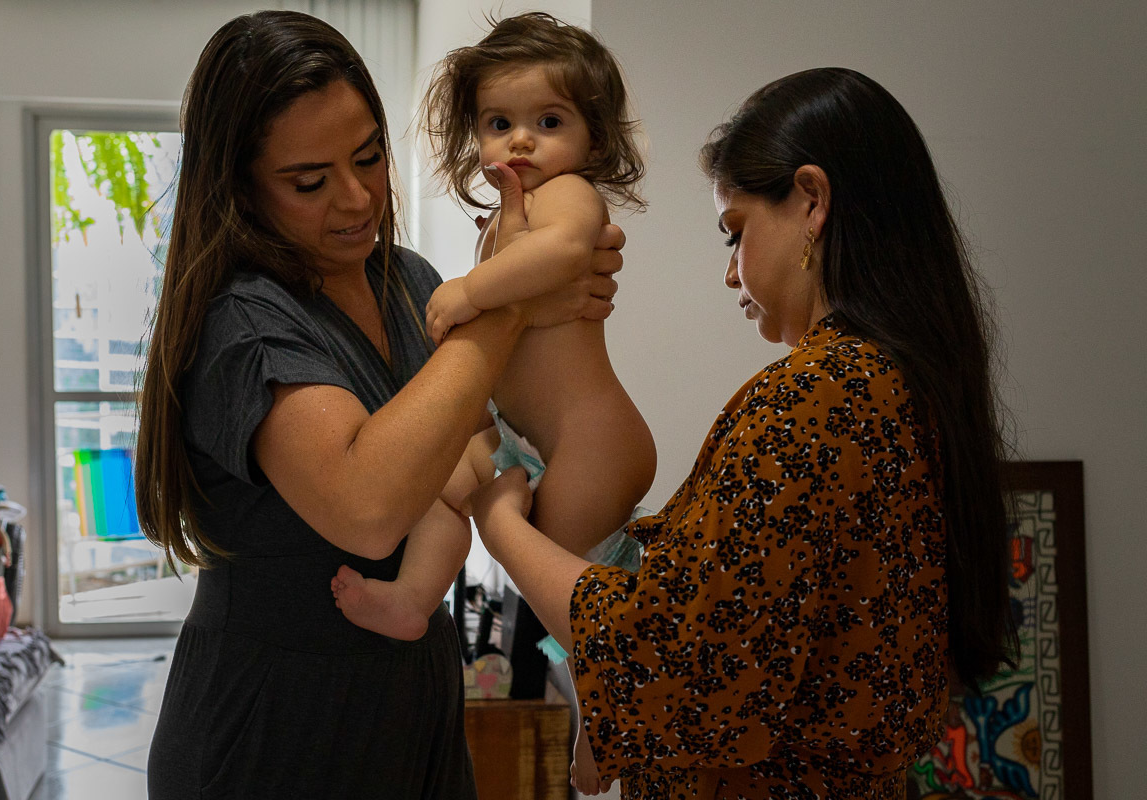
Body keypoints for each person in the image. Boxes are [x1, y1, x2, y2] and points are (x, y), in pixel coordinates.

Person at [469, 67, 1018, 799]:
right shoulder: (899, 388)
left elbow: (671, 661)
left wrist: (500, 527)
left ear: (812, 201)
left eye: (736, 233)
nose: (732, 275)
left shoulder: (818, 398)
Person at [134, 10, 624, 798]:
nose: (358, 198)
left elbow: (471, 446)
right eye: (309, 182)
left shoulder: (411, 282)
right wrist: (516, 300)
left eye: (369, 157)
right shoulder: (245, 322)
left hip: (411, 707)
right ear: (240, 189)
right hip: (273, 728)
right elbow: (366, 507)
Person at [329, 13, 656, 793]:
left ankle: (612, 716)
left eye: (550, 122)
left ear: (593, 136)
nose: (521, 142)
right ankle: (414, 598)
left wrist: (475, 287)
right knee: (443, 484)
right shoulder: (507, 214)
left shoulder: (571, 197)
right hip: (522, 435)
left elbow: (569, 253)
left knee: (571, 601)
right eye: (499, 123)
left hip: (588, 439)